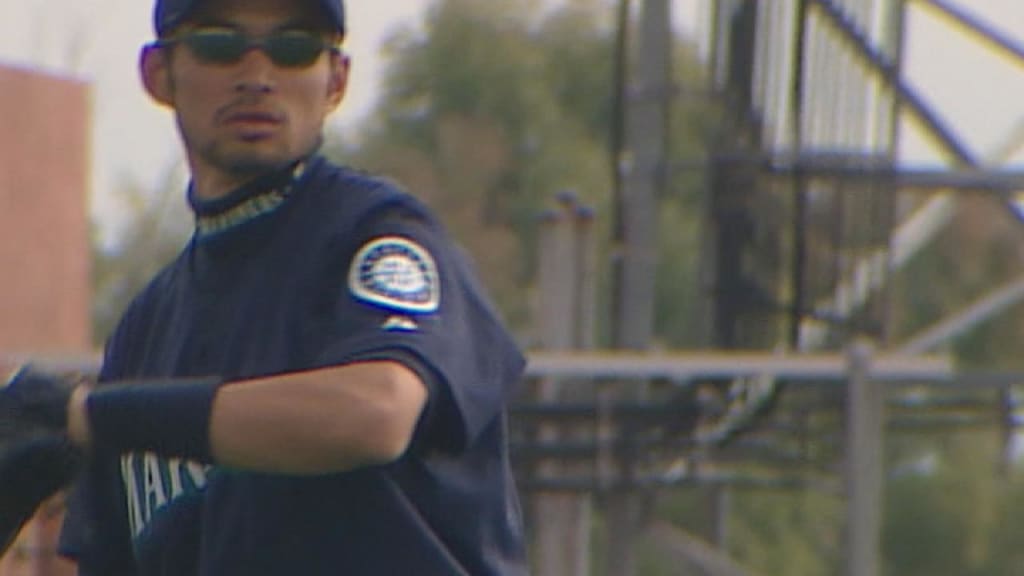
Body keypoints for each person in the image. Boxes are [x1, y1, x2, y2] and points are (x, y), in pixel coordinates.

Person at [0, 0, 530, 574]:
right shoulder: (147, 329)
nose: (257, 78)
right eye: (219, 45)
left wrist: (92, 416)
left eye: (294, 48)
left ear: (336, 80)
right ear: (158, 74)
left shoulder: (374, 235)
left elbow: (376, 412)